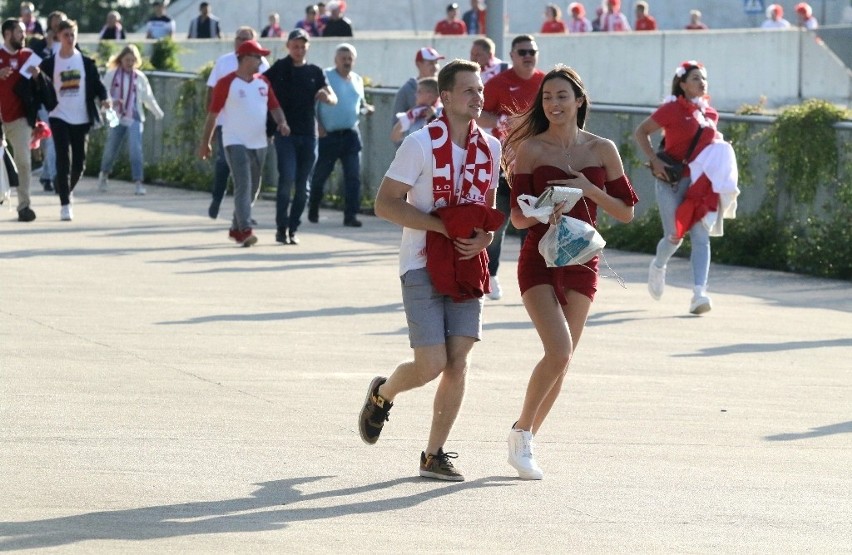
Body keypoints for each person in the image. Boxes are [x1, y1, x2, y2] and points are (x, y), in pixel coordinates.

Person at [358, 59, 502, 482]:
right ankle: (383, 394)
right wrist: (442, 226)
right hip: (421, 262)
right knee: (431, 364)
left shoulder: (490, 148)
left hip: (466, 264)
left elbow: (488, 211)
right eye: (468, 91)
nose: (478, 97)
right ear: (444, 97)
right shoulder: (420, 144)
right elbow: (385, 204)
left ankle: (433, 454)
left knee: (458, 362)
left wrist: (485, 239)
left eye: (480, 90)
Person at [504, 65, 638, 479]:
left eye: (562, 96)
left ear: (579, 100)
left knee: (563, 360)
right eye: (547, 98)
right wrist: (543, 208)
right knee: (559, 349)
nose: (553, 104)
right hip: (538, 256)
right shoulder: (531, 150)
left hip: (582, 258)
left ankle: (525, 438)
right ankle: (522, 433)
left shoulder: (602, 149)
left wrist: (589, 189)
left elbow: (627, 212)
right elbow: (516, 218)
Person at [634, 60, 739, 315]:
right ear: (682, 84)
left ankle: (699, 293)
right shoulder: (671, 108)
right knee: (674, 236)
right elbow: (641, 131)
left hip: (698, 185)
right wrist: (654, 159)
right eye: (695, 78)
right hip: (670, 181)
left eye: (704, 78)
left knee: (701, 235)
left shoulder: (710, 114)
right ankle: (659, 266)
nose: (702, 82)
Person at [200, 39, 289, 247]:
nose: (261, 60)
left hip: (259, 141)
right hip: (234, 140)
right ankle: (246, 229)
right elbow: (212, 115)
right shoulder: (227, 82)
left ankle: (235, 228)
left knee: (253, 188)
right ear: (245, 58)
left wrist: (282, 123)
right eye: (257, 56)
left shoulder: (263, 82)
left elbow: (274, 107)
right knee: (243, 183)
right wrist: (206, 142)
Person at [478, 34, 545, 301]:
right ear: (512, 55)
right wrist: (501, 119)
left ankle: (532, 279)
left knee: (533, 225)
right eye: (522, 52)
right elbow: (478, 113)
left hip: (537, 167)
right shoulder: (498, 83)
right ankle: (491, 275)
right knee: (499, 222)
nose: (528, 56)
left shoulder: (545, 82)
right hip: (505, 167)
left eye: (532, 51)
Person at [264, 28, 337, 245]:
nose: (298, 49)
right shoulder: (279, 68)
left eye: (302, 46)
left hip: (308, 134)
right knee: (287, 179)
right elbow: (261, 86)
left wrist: (327, 97)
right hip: (285, 133)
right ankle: (281, 226)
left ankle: (293, 228)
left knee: (303, 185)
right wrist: (271, 125)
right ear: (288, 47)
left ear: (308, 47)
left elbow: (332, 96)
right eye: (295, 46)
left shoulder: (315, 71)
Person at [41, 19, 108, 221]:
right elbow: (38, 87)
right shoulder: (50, 63)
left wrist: (105, 99)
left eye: (72, 35)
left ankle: (66, 190)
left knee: (79, 163)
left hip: (82, 117)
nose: (69, 39)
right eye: (66, 35)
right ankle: (65, 204)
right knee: (63, 159)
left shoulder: (86, 62)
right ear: (58, 37)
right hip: (59, 115)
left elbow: (97, 85)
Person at [206, 27, 270, 219]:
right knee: (225, 164)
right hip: (227, 123)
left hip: (253, 126)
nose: (241, 42)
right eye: (238, 38)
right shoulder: (225, 61)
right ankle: (218, 198)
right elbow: (211, 89)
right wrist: (211, 117)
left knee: (251, 171)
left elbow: (268, 91)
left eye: (246, 39)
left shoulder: (263, 64)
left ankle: (243, 213)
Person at [309, 43, 374, 227]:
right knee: (321, 175)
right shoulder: (326, 76)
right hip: (328, 135)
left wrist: (366, 110)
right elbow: (313, 104)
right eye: (343, 58)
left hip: (351, 134)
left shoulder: (357, 80)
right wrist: (318, 125)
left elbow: (358, 105)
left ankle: (351, 215)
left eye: (350, 59)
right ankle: (313, 208)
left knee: (353, 177)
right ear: (335, 60)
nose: (347, 62)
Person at [97, 45, 164, 196]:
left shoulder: (139, 77)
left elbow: (148, 97)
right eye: (127, 60)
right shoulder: (112, 74)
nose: (129, 63)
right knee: (111, 147)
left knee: (136, 149)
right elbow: (103, 92)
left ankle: (138, 182)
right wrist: (109, 104)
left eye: (132, 60)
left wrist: (157, 112)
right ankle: (104, 174)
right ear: (121, 59)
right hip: (115, 115)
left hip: (134, 115)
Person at [0, 17, 44, 222]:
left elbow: (42, 88)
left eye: (24, 31)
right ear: (7, 34)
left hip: (19, 118)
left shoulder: (29, 56)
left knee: (24, 162)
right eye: (19, 32)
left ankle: (24, 206)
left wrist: (38, 78)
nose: (23, 35)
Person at [391, 47, 444, 145]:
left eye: (436, 62)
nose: (435, 67)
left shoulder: (445, 87)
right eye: (430, 63)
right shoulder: (406, 90)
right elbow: (396, 130)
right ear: (419, 65)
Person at [390, 76, 441, 143]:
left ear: (429, 95)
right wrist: (407, 117)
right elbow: (395, 137)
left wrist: (432, 118)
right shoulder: (415, 114)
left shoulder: (443, 112)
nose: (415, 95)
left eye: (419, 92)